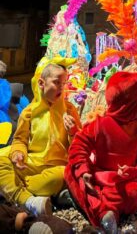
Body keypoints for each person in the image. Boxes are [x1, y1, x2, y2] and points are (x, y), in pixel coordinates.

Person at [65, 71, 137, 233]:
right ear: (127, 106)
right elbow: (79, 144)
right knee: (72, 172)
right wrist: (83, 169)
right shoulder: (100, 125)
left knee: (136, 192)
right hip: (101, 177)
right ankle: (106, 213)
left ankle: (103, 211)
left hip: (130, 181)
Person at [0, 56, 81, 216]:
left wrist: (73, 132)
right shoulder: (29, 111)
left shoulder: (70, 110)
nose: (61, 88)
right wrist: (18, 153)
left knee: (61, 176)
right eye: (57, 82)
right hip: (32, 163)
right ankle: (31, 200)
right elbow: (20, 140)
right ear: (41, 84)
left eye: (64, 84)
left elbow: (80, 146)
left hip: (56, 167)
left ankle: (18, 193)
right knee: (1, 162)